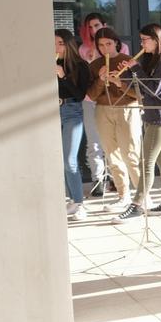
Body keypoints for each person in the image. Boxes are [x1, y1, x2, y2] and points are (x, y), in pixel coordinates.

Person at [112, 24, 161, 223]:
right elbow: (140, 86)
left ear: (156, 39)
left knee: (146, 162)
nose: (142, 43)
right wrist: (124, 73)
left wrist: (134, 68)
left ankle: (136, 205)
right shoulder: (152, 60)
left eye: (145, 39)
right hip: (152, 115)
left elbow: (153, 89)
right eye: (141, 39)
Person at [86, 27, 140, 213]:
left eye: (108, 43)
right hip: (103, 110)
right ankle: (123, 196)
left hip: (127, 109)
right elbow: (91, 95)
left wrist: (119, 82)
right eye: (101, 45)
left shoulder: (129, 61)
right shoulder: (95, 65)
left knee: (130, 153)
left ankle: (142, 196)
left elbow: (139, 94)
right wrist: (101, 80)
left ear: (116, 43)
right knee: (112, 155)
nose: (105, 48)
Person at [77, 13, 126, 197]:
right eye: (89, 27)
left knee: (114, 142)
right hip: (91, 101)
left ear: (104, 25)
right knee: (94, 142)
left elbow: (124, 76)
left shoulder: (121, 48)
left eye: (96, 25)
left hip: (113, 101)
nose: (93, 30)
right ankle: (98, 180)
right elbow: (85, 80)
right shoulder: (84, 49)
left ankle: (117, 179)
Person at [56, 29, 93, 221]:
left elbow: (79, 95)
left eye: (60, 43)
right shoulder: (51, 62)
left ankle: (79, 203)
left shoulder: (80, 66)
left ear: (69, 44)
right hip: (51, 114)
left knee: (70, 160)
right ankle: (72, 200)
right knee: (60, 161)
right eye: (54, 43)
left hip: (72, 112)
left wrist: (62, 76)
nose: (56, 47)